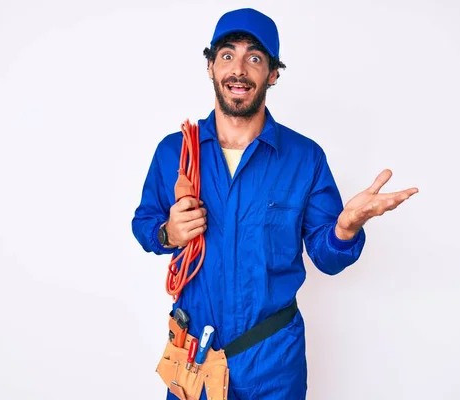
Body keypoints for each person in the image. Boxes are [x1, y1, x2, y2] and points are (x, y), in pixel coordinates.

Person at [132, 7, 418, 400]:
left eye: (254, 58)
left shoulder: (304, 158)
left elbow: (327, 257)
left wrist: (345, 229)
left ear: (272, 74)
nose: (239, 69)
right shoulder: (175, 152)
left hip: (273, 364)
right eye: (227, 55)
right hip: (194, 358)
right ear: (211, 67)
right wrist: (168, 232)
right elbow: (144, 224)